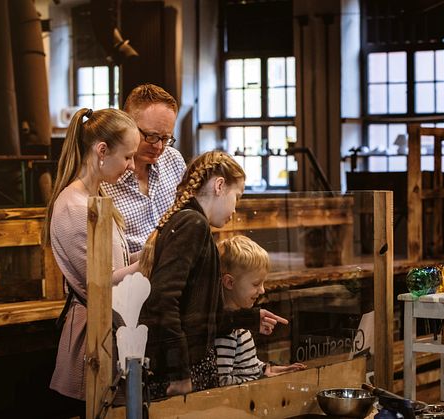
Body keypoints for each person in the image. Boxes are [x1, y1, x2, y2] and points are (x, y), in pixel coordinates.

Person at [138, 150, 288, 397]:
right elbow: (162, 299)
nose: (235, 209)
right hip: (183, 372)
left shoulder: (192, 223)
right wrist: (180, 372)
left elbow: (199, 317)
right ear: (220, 185)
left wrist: (250, 318)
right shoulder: (192, 224)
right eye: (236, 197)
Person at [42, 108, 142, 405]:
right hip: (92, 341)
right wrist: (148, 262)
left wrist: (150, 251)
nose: (132, 166)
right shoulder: (73, 206)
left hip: (109, 333)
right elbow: (102, 285)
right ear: (102, 150)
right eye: (127, 156)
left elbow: (114, 262)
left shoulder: (93, 199)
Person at [101, 84, 186, 253]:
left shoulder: (173, 160)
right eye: (152, 136)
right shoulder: (104, 176)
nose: (159, 146)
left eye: (166, 138)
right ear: (126, 123)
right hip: (127, 275)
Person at [215, 235, 306, 386]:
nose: (262, 290)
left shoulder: (240, 323)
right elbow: (221, 381)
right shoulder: (227, 331)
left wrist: (265, 369)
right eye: (256, 284)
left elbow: (245, 366)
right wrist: (259, 380)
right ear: (229, 282)